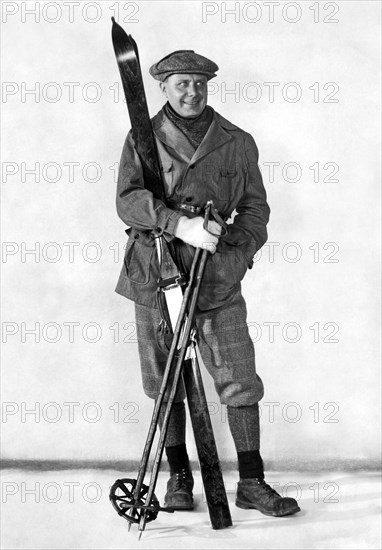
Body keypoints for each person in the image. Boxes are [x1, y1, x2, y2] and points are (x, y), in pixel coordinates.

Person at [115, 49, 300, 517]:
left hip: (216, 279)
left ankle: (252, 483)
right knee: (165, 381)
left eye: (199, 83)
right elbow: (128, 200)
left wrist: (234, 256)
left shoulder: (237, 141)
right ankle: (179, 479)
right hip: (156, 274)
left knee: (238, 377)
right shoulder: (143, 138)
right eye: (182, 84)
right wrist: (176, 224)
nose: (192, 92)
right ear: (163, 87)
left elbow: (256, 210)